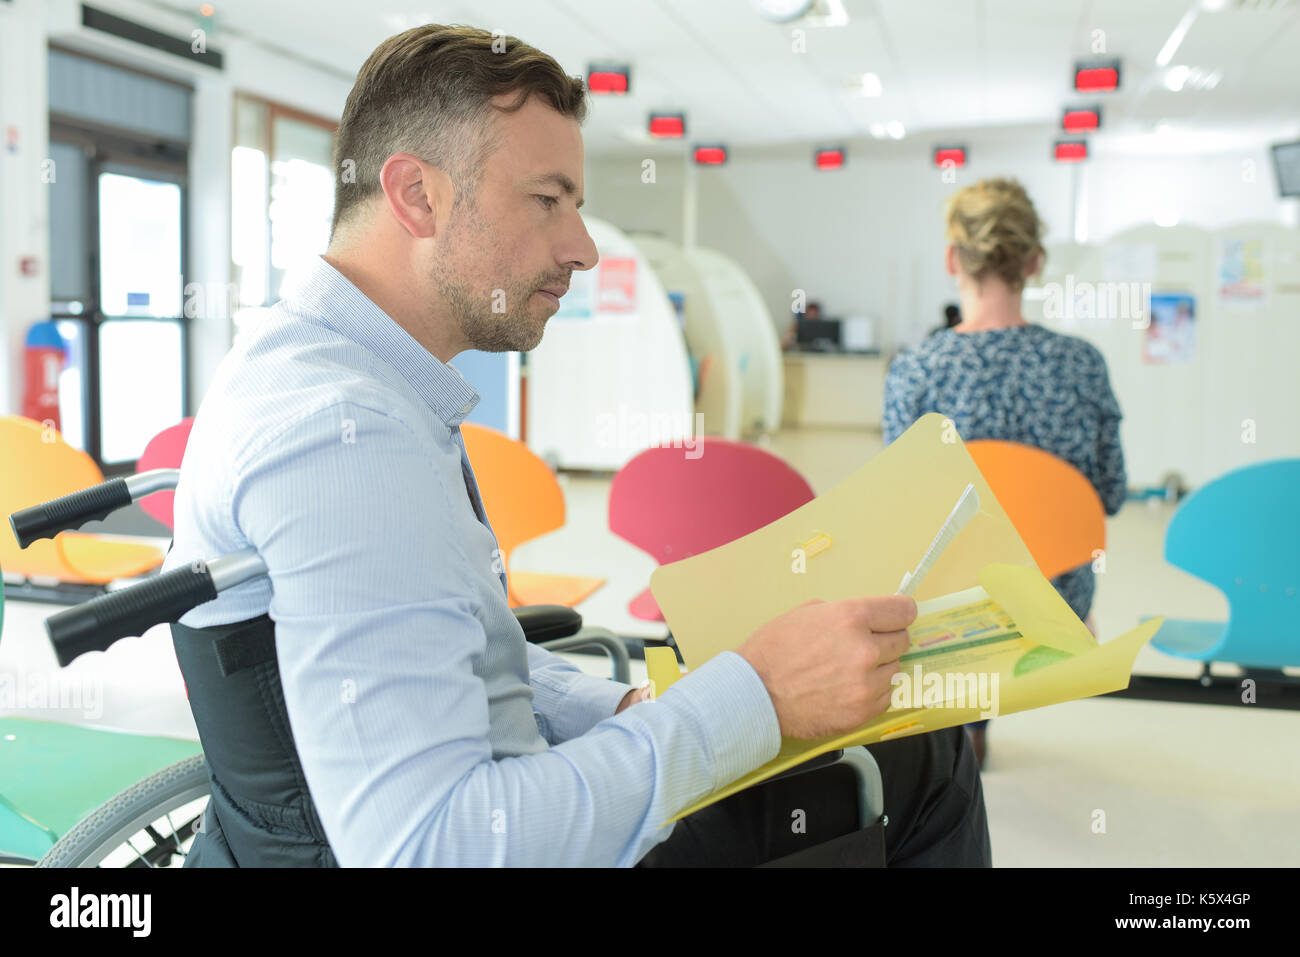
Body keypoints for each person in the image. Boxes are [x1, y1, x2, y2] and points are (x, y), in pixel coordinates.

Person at [164, 24, 991, 867]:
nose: (584, 249)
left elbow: (464, 655)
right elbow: (431, 845)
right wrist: (760, 696)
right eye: (547, 200)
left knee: (907, 743)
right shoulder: (343, 440)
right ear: (416, 195)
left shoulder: (337, 377)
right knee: (926, 759)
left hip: (492, 782)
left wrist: (628, 707)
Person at [882, 178, 1127, 768]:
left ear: (951, 260)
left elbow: (900, 508)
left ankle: (960, 725)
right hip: (1055, 595)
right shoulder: (1082, 363)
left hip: (952, 601)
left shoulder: (918, 369)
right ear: (1034, 262)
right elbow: (1110, 495)